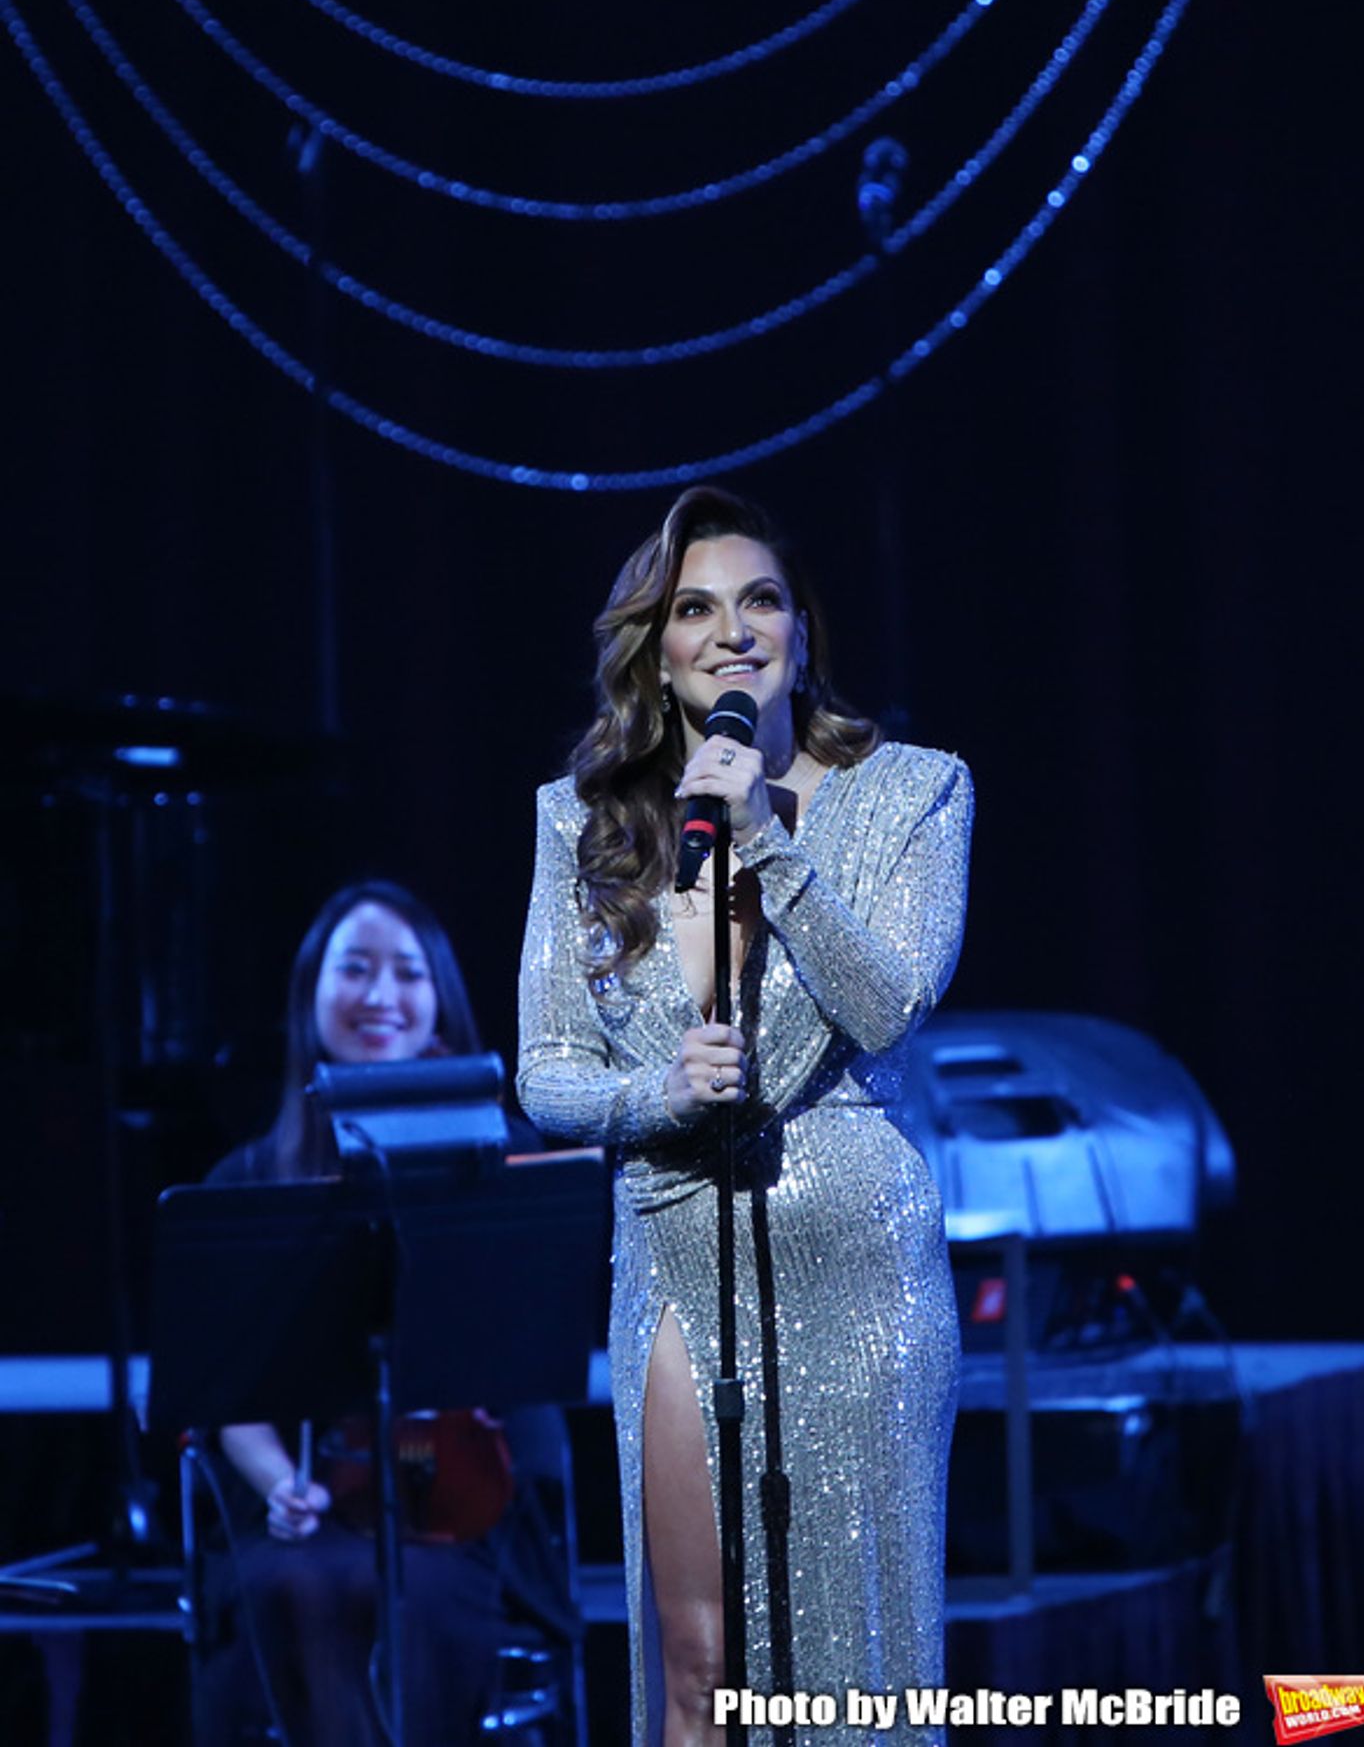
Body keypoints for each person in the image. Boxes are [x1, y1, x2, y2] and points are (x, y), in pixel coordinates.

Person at [517, 488, 973, 1747]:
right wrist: (649, 1093)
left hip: (859, 1260)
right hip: (675, 1235)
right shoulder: (582, 820)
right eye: (694, 607)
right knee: (699, 1661)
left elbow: (886, 1008)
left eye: (760, 599)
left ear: (801, 632)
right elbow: (543, 1068)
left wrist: (769, 842)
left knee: (859, 1674)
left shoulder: (915, 793)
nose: (733, 630)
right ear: (655, 650)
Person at [200, 881, 575, 1747]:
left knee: (422, 1600)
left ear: (438, 996)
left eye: (407, 972)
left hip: (459, 1510)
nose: (380, 995)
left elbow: (536, 1334)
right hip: (305, 1504)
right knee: (292, 1583)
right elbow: (228, 1393)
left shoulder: (503, 1158)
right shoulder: (248, 1180)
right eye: (356, 969)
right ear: (310, 996)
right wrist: (280, 1485)